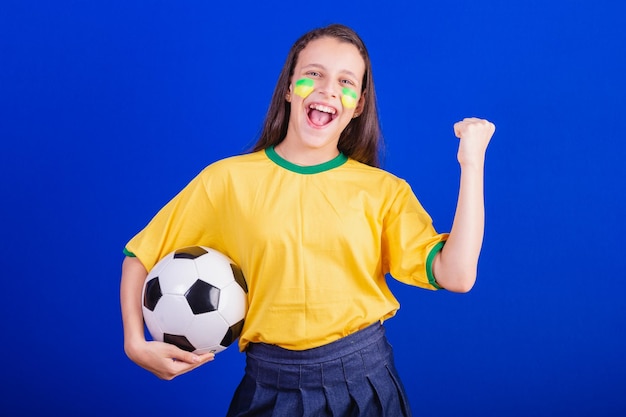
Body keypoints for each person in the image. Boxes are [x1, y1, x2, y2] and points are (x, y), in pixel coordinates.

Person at [120, 23, 495, 417]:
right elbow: (139, 254)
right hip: (269, 387)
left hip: (366, 389)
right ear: (288, 87)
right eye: (313, 74)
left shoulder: (383, 191)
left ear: (359, 104)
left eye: (346, 81)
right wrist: (134, 341)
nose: (328, 89)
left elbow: (457, 275)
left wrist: (472, 164)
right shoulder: (226, 181)